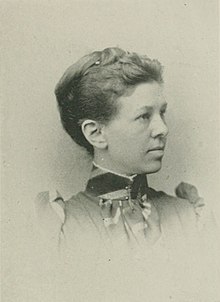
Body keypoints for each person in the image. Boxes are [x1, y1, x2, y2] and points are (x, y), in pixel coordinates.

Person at [35, 47, 219, 302]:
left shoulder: (190, 216)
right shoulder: (62, 226)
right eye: (144, 116)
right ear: (95, 133)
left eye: (162, 112)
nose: (162, 129)